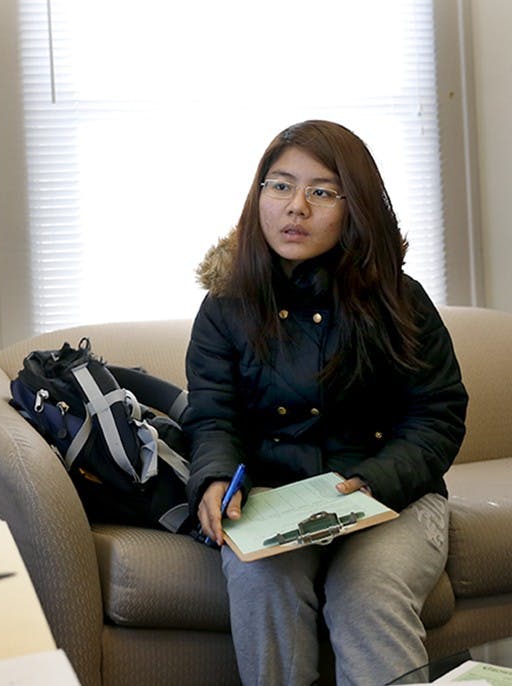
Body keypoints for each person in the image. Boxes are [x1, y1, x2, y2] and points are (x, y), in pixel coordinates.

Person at [184, 120, 468, 686]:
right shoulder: (226, 305)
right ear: (258, 194)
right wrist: (216, 479)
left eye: (321, 192)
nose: (296, 208)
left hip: (392, 498)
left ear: (354, 206)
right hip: (275, 502)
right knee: (261, 581)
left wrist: (373, 481)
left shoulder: (398, 299)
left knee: (367, 592)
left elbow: (437, 414)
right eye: (280, 186)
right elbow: (214, 415)